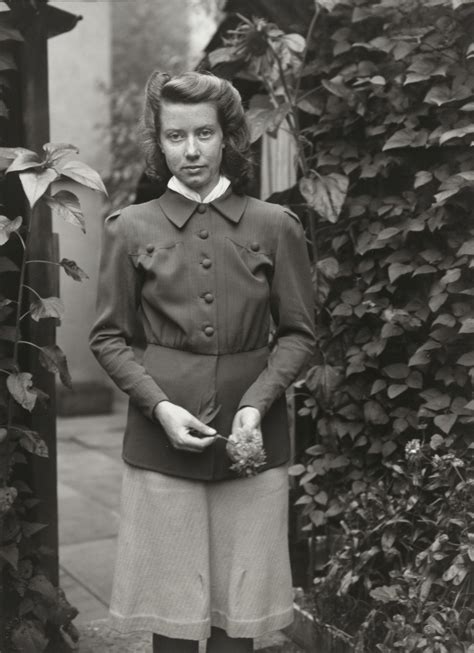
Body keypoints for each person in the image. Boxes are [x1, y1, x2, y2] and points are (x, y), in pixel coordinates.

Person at [89, 71, 315, 653]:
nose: (190, 151)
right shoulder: (130, 228)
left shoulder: (276, 225)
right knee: (174, 622)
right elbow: (109, 337)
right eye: (174, 136)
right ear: (157, 143)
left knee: (239, 622)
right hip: (161, 438)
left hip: (252, 442)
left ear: (227, 138)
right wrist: (159, 407)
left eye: (204, 134)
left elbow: (297, 334)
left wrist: (255, 407)